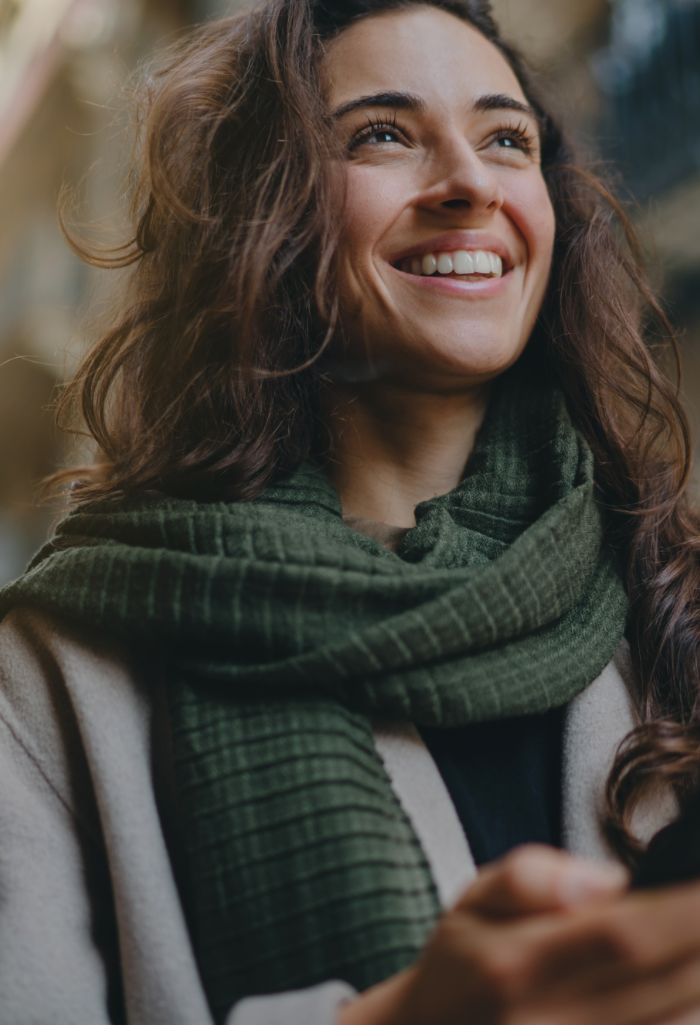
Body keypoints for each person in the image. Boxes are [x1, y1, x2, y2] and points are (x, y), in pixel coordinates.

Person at [1, 1, 699, 1023]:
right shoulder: (53, 676)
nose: (470, 182)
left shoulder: (665, 583)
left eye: (507, 138)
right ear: (258, 213)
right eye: (383, 134)